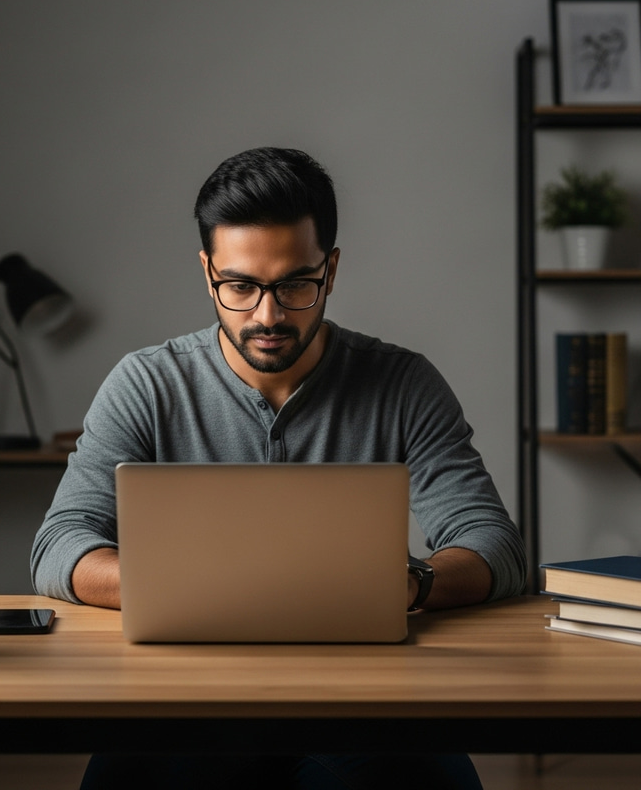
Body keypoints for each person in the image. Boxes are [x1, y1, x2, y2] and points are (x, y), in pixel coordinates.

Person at [31, 146, 527, 789]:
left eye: (295, 283)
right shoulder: (146, 383)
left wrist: (408, 583)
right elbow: (59, 545)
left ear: (332, 269)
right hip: (184, 707)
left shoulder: (403, 383)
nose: (268, 316)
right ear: (208, 272)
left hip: (367, 709)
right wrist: (187, 589)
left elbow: (495, 545)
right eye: (240, 286)